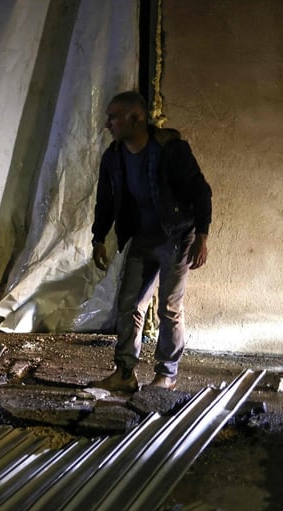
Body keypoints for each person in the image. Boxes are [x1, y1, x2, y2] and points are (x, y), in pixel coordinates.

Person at [88, 91, 212, 392]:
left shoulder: (171, 150)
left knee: (168, 307)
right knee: (129, 303)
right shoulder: (114, 156)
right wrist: (99, 237)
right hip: (142, 237)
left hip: (176, 236)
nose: (107, 124)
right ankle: (125, 373)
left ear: (135, 118)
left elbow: (201, 191)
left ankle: (166, 375)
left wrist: (202, 236)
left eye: (113, 117)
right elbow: (105, 199)